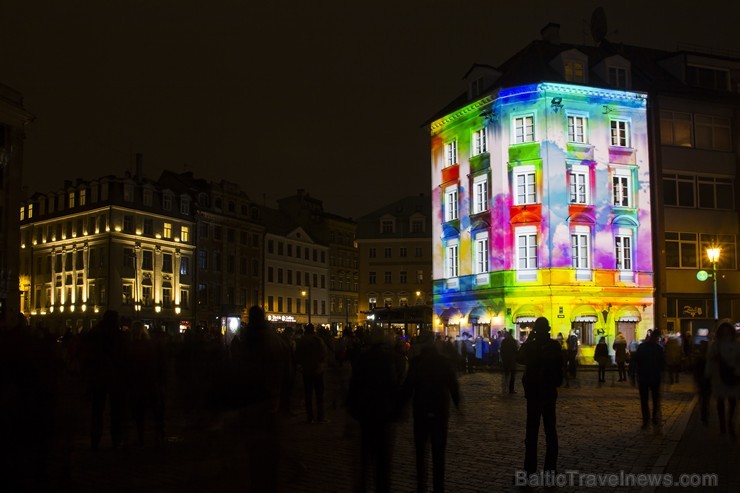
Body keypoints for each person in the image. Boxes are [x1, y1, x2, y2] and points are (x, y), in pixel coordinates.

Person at [233, 306, 293, 492]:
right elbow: (289, 373)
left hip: (251, 404)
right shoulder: (277, 341)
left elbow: (236, 372)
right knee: (271, 453)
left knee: (254, 456)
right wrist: (284, 402)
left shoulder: (246, 340)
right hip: (271, 403)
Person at [347, 330, 406, 493]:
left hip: (366, 414)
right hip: (384, 414)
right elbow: (393, 387)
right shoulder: (390, 360)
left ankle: (363, 486)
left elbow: (354, 386)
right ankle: (382, 487)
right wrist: (398, 410)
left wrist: (353, 410)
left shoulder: (363, 358)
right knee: (383, 460)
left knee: (365, 456)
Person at [403, 332, 460, 493]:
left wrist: (401, 406)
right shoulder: (443, 362)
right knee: (439, 453)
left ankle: (421, 485)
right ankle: (438, 486)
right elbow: (453, 385)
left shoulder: (416, 363)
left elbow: (408, 387)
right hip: (440, 412)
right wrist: (457, 404)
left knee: (420, 453)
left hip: (420, 412)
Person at [516, 317, 563, 474]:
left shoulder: (531, 346)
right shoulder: (554, 346)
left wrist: (529, 339)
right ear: (548, 330)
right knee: (550, 432)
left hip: (534, 393)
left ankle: (530, 470)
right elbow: (561, 366)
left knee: (532, 433)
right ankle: (550, 469)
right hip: (549, 392)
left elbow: (519, 357)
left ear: (536, 330)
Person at [84, 310, 128, 450]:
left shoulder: (94, 333)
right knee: (116, 410)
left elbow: (87, 356)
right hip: (114, 377)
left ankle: (95, 439)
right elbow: (123, 356)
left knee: (97, 410)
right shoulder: (117, 335)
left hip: (97, 376)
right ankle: (116, 439)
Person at [128, 321, 165, 445]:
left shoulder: (131, 346)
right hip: (150, 381)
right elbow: (158, 364)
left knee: (139, 412)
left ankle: (141, 435)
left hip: (136, 383)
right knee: (155, 409)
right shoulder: (151, 345)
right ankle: (159, 434)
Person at [705, 320, 740, 437]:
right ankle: (724, 426)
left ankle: (728, 423)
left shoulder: (735, 345)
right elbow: (710, 360)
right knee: (722, 401)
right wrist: (708, 374)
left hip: (730, 375)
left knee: (732, 401)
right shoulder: (717, 345)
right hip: (719, 376)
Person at [294, 323, 329, 423]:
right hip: (317, 370)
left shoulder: (302, 341)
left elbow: (297, 357)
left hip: (307, 371)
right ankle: (320, 416)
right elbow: (324, 354)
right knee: (319, 395)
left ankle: (310, 417)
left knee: (308, 394)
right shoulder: (318, 340)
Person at [633, 329, 665, 430]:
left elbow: (635, 361)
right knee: (653, 400)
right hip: (651, 377)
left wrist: (633, 374)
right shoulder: (658, 349)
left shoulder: (643, 347)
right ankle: (651, 420)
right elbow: (662, 364)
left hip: (645, 377)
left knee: (646, 400)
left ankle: (647, 420)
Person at [500, 329, 519, 394]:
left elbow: (501, 350)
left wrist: (502, 359)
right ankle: (511, 389)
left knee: (506, 375)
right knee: (512, 375)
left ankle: (504, 389)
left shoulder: (504, 341)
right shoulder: (513, 341)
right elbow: (516, 350)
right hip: (512, 360)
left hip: (506, 360)